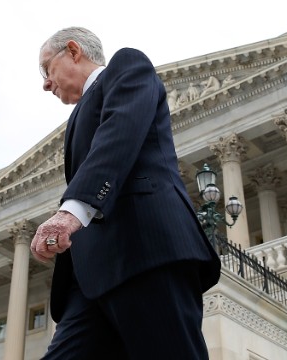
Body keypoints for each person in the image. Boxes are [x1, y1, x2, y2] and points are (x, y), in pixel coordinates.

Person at [30, 27, 220, 359]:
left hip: (144, 252)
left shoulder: (127, 66)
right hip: (91, 279)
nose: (45, 84)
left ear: (73, 51)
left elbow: (119, 133)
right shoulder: (78, 116)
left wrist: (71, 212)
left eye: (47, 69)